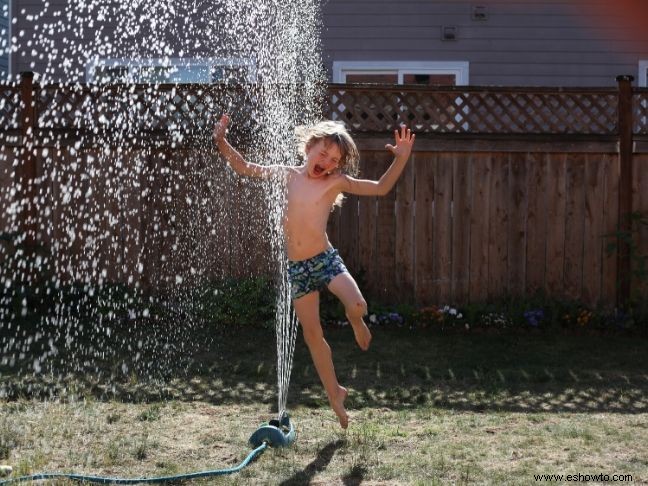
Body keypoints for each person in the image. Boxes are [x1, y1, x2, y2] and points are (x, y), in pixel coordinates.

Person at [213, 114, 415, 428]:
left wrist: (401, 158)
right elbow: (244, 167)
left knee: (358, 304)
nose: (327, 162)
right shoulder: (287, 175)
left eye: (334, 160)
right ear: (309, 147)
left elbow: (380, 188)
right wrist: (222, 142)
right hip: (298, 268)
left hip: (325, 259)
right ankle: (335, 393)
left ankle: (355, 319)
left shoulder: (336, 182)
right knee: (313, 335)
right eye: (323, 153)